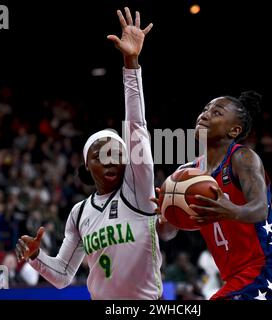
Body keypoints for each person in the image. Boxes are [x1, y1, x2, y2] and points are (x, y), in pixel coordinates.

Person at [15, 8, 177, 300]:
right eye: (100, 156)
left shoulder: (138, 191)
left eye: (118, 153)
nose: (111, 159)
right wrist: (36, 256)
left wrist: (131, 63)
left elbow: (136, 126)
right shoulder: (79, 214)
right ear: (87, 165)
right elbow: (63, 275)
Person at [153, 92, 272, 300]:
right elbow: (167, 233)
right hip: (238, 278)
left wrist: (230, 210)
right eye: (205, 109)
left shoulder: (242, 158)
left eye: (217, 112)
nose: (205, 114)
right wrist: (165, 216)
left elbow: (260, 209)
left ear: (234, 130)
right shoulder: (185, 174)